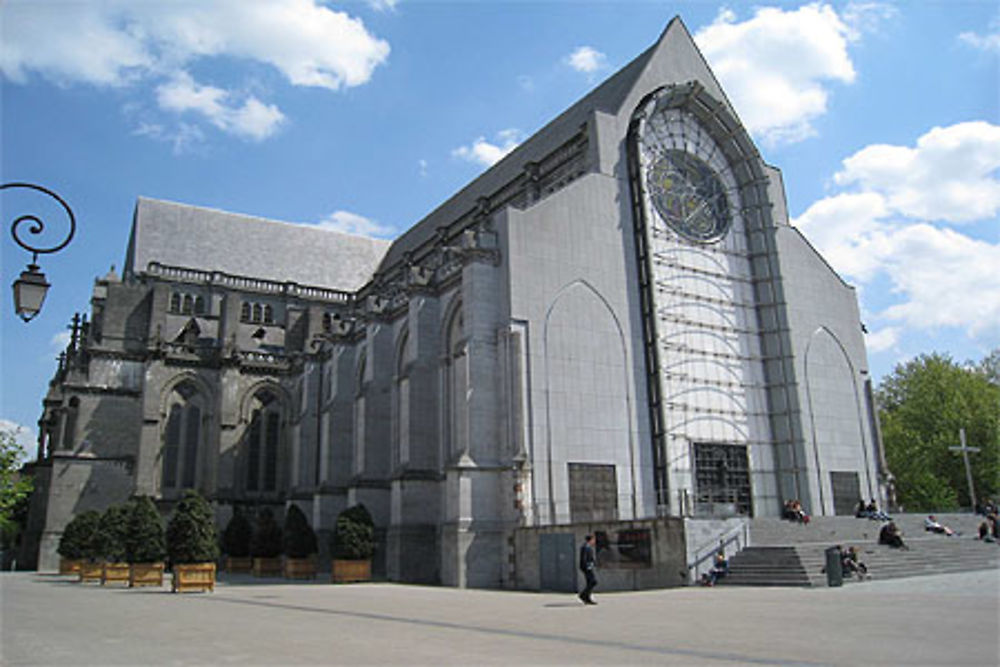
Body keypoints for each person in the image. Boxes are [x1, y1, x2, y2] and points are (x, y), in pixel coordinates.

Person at [578, 534, 597, 605]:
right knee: (593, 582)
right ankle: (583, 595)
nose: (594, 541)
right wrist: (587, 566)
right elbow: (584, 558)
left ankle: (587, 598)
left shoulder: (588, 546)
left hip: (589, 567)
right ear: (591, 539)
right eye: (593, 539)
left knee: (590, 582)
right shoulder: (585, 547)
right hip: (587, 567)